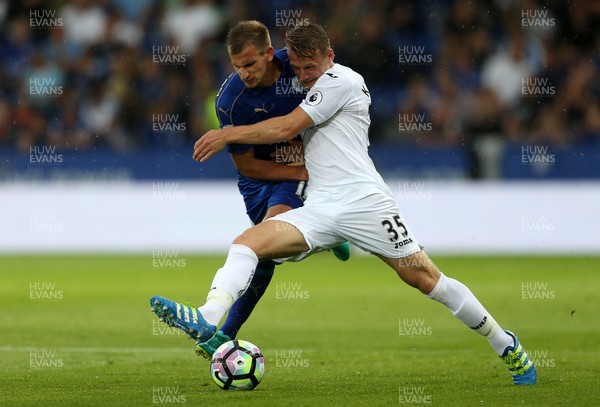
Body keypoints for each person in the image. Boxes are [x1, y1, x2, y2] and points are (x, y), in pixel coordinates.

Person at [151, 23, 536, 385]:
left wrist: (227, 134)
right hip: (319, 206)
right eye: (298, 69)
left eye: (310, 67)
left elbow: (286, 127)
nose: (304, 76)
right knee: (247, 244)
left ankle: (506, 343)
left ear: (329, 57)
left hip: (366, 203)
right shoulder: (300, 81)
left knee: (425, 279)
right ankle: (207, 318)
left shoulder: (342, 80)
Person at [170, 20, 351, 358]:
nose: (245, 74)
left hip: (295, 174)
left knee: (266, 239)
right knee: (264, 253)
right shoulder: (230, 102)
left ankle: (221, 332)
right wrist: (299, 168)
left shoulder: (299, 67)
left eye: (251, 64)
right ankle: (330, 234)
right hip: (258, 180)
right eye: (238, 67)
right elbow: (247, 165)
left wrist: (308, 168)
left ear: (270, 54)